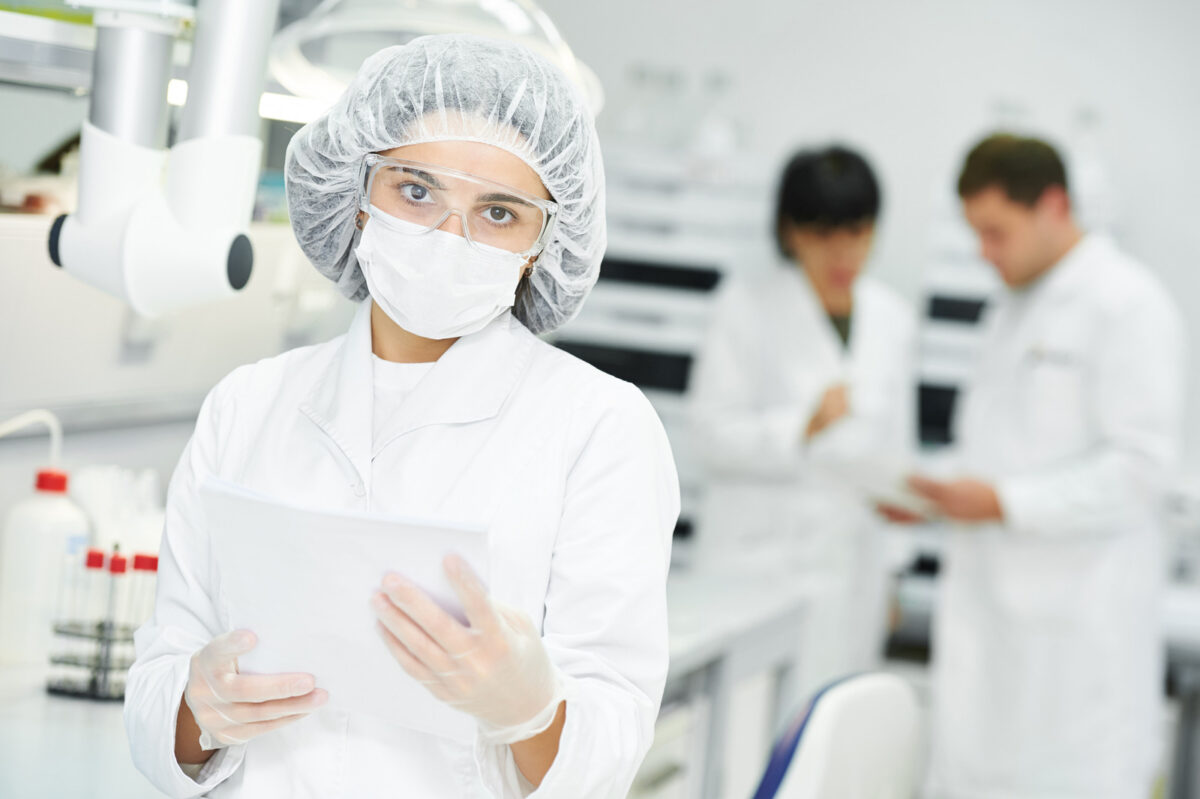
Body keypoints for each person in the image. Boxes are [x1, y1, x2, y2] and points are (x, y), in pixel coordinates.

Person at [124, 35, 680, 799]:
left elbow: (610, 743)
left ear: (542, 245)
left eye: (498, 212)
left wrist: (529, 707)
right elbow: (159, 686)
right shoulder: (249, 405)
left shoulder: (599, 426)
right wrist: (199, 706)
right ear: (356, 193)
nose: (448, 239)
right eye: (416, 191)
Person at [881, 133, 1186, 798]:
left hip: (1076, 655)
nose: (985, 254)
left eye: (997, 232)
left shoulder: (1127, 304)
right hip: (994, 638)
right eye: (976, 236)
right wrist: (934, 492)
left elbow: (1140, 470)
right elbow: (1001, 446)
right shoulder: (1012, 305)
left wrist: (1004, 502)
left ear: (1054, 205)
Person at [689, 145, 917, 698]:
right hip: (761, 566)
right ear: (790, 232)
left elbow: (897, 451)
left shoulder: (892, 318)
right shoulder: (745, 307)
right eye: (825, 235)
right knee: (751, 737)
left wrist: (893, 572)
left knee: (833, 737)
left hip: (852, 570)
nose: (845, 253)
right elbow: (708, 436)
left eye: (859, 234)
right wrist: (800, 427)